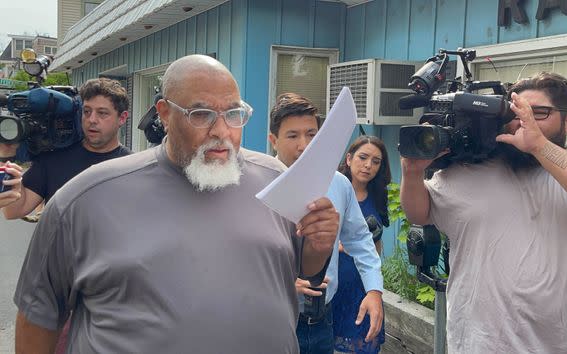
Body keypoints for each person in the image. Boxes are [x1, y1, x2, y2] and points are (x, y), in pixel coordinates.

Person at [13, 55, 340, 353]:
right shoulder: (84, 199)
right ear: (165, 114)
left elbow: (301, 268)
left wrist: (318, 246)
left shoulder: (274, 179)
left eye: (234, 114)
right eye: (201, 114)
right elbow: (39, 312)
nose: (221, 130)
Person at [400, 72, 567, 353]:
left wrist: (540, 147)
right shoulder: (465, 173)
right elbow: (420, 213)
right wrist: (412, 173)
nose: (524, 121)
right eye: (515, 112)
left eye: (539, 113)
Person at [268, 93, 383, 354]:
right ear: (273, 140)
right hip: (275, 320)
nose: (304, 145)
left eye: (311, 134)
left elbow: (361, 240)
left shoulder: (339, 184)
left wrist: (374, 290)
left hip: (322, 322)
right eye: (293, 135)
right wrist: (283, 282)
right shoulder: (260, 184)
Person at [1, 77, 132, 220]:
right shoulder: (54, 158)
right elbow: (13, 211)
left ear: (122, 118)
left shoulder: (132, 166)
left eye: (102, 113)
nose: (92, 120)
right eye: (87, 111)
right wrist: (7, 154)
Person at [332, 135, 391, 353]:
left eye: (376, 161)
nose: (368, 165)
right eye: (363, 157)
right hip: (334, 282)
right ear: (349, 158)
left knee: (363, 345)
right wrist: (341, 245)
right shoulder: (332, 190)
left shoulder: (376, 196)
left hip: (363, 287)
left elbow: (375, 247)